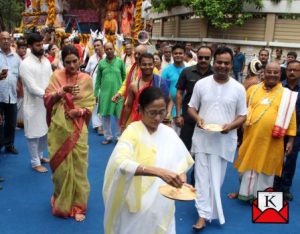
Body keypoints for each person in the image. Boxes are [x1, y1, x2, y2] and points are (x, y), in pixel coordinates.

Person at [103, 86, 194, 234]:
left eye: (162, 112)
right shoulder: (132, 132)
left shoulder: (169, 133)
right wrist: (159, 172)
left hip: (162, 203)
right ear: (140, 110)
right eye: (152, 113)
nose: (158, 118)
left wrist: (181, 184)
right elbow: (121, 163)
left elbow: (180, 167)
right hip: (136, 206)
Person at [188, 47, 247, 228]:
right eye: (219, 62)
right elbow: (191, 107)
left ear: (231, 65)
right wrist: (198, 118)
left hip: (224, 141)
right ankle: (202, 215)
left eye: (226, 63)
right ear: (214, 62)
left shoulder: (238, 88)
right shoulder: (202, 84)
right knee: (201, 178)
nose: (222, 66)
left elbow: (243, 116)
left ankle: (209, 211)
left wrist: (230, 126)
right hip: (203, 138)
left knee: (217, 180)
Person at [44, 45, 95, 221]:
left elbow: (90, 103)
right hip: (59, 127)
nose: (72, 66)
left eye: (75, 61)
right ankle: (61, 198)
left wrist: (78, 112)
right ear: (62, 62)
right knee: (61, 167)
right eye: (68, 62)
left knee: (79, 166)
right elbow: (47, 99)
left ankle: (78, 205)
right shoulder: (56, 76)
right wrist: (61, 92)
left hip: (78, 127)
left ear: (80, 60)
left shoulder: (86, 79)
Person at [234, 62, 297, 202]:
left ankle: (261, 199)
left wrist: (291, 140)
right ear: (264, 72)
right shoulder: (253, 90)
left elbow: (292, 119)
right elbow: (242, 112)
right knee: (248, 165)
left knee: (267, 170)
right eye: (269, 72)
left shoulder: (287, 95)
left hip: (273, 140)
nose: (272, 75)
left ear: (280, 74)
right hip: (251, 137)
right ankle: (244, 193)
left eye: (276, 72)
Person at [20, 33, 52, 173]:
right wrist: (49, 95)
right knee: (33, 134)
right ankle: (34, 162)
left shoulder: (46, 61)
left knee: (45, 132)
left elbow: (51, 80)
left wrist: (53, 93)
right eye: (38, 45)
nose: (41, 47)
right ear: (30, 46)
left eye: (42, 44)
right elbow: (32, 87)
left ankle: (40, 156)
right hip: (33, 104)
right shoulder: (25, 64)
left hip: (47, 103)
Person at [176, 46, 213, 151]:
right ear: (197, 57)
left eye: (206, 58)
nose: (203, 60)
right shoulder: (186, 72)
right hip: (188, 117)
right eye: (201, 57)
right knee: (184, 148)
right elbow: (179, 93)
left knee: (203, 149)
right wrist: (178, 115)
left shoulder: (215, 74)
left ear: (211, 58)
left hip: (208, 118)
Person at [120, 53, 170, 131]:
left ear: (154, 65)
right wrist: (123, 125)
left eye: (150, 64)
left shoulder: (160, 82)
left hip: (156, 121)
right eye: (144, 64)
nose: (147, 67)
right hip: (137, 122)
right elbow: (128, 106)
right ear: (139, 65)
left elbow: (169, 100)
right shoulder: (133, 85)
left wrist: (167, 114)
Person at [273, 60, 300, 201]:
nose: (292, 72)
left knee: (291, 160)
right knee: (276, 159)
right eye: (290, 69)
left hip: (296, 133)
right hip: (278, 129)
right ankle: (274, 186)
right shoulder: (278, 88)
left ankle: (285, 188)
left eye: (296, 70)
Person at [95, 42, 126, 144]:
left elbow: (125, 77)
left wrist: (124, 92)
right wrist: (95, 94)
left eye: (110, 49)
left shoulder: (120, 62)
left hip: (118, 94)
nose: (109, 51)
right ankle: (108, 137)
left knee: (119, 116)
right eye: (106, 49)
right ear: (104, 50)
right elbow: (98, 80)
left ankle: (119, 137)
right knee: (105, 116)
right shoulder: (101, 63)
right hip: (105, 94)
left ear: (114, 49)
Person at [0, 31, 21, 154]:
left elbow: (21, 75)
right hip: (0, 96)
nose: (6, 41)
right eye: (3, 39)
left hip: (12, 96)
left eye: (8, 39)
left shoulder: (16, 58)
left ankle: (9, 145)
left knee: (11, 123)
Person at [161, 44, 185, 135]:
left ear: (184, 54)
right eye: (175, 53)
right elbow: (163, 91)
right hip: (170, 109)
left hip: (185, 109)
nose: (178, 55)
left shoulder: (188, 70)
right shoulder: (166, 71)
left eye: (180, 53)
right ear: (172, 54)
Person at [85, 39, 104, 135]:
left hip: (105, 86)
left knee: (103, 105)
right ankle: (98, 125)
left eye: (98, 45)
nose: (96, 47)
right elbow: (87, 72)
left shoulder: (107, 57)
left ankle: (102, 123)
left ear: (102, 46)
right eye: (95, 46)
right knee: (96, 105)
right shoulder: (92, 58)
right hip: (94, 86)